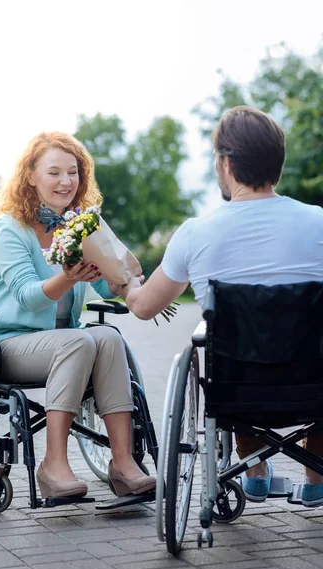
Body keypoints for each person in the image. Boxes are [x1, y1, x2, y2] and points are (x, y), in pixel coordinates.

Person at [121, 105, 323, 506]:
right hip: (312, 386)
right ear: (277, 165)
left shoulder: (196, 233)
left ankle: (253, 465)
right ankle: (316, 475)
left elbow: (143, 308)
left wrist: (126, 283)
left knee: (222, 349)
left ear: (226, 164)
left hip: (237, 390)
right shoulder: (318, 221)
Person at [0, 131, 155, 499]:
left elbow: (107, 285)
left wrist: (131, 282)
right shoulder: (10, 228)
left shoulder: (80, 223)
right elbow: (28, 297)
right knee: (77, 340)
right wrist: (66, 277)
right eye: (54, 172)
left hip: (67, 343)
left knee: (107, 337)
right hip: (11, 342)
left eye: (73, 172)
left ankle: (123, 463)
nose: (66, 181)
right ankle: (53, 465)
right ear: (30, 175)